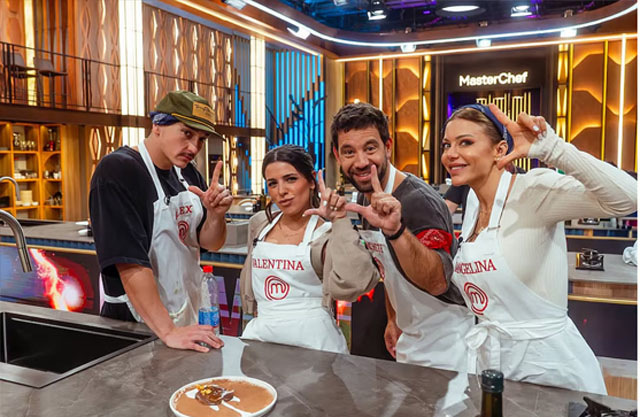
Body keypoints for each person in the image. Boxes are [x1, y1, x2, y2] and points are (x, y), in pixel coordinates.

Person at [441, 103, 637, 394]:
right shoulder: (472, 203)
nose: (451, 154)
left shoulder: (533, 190)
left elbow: (629, 198)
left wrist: (553, 149)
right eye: (447, 145)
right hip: (495, 368)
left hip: (550, 373)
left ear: (499, 149)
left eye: (465, 142)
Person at [331, 102, 473, 371]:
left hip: (448, 341)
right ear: (338, 156)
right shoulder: (365, 197)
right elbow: (387, 266)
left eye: (370, 148)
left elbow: (438, 282)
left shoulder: (419, 202)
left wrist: (396, 231)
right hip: (410, 335)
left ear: (388, 147)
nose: (360, 162)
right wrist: (393, 317)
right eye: (349, 152)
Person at [90, 90, 233, 353]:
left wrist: (216, 215)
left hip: (184, 316)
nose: (194, 148)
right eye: (187, 133)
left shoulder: (187, 172)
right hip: (137, 325)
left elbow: (210, 242)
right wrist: (168, 331)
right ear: (157, 125)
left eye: (201, 139)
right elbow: (129, 264)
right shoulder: (119, 170)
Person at [239, 144, 379, 353]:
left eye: (291, 179)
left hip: (315, 344)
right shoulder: (259, 225)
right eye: (273, 183)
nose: (282, 191)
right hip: (261, 339)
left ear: (312, 181)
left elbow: (355, 283)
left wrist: (340, 220)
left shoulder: (327, 234)